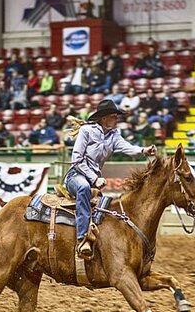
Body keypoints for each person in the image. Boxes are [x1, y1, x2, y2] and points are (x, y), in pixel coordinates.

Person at [65, 100, 156, 258]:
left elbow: (128, 148)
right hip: (76, 175)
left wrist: (143, 150)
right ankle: (82, 238)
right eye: (114, 116)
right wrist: (94, 179)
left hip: (93, 180)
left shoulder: (114, 135)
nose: (117, 119)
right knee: (83, 189)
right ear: (104, 118)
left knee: (105, 204)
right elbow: (76, 159)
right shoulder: (87, 131)